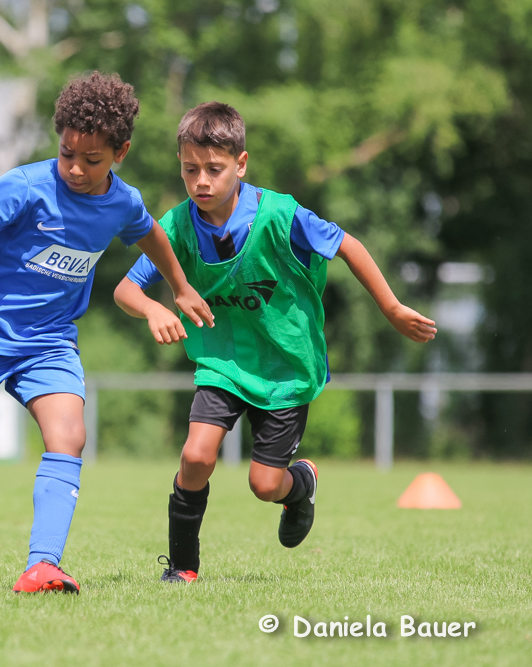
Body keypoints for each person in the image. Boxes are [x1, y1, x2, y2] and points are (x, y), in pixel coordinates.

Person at [0, 72, 214, 594]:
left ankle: (42, 566)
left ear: (121, 153)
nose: (76, 169)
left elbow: (150, 233)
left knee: (69, 436)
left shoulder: (122, 202)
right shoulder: (25, 187)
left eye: (92, 160)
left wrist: (179, 287)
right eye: (67, 154)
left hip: (50, 341)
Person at [113, 102, 437, 583]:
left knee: (264, 485)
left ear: (241, 164)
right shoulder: (177, 225)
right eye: (190, 169)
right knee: (196, 457)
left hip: (284, 368)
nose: (201, 181)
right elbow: (125, 290)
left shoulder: (281, 215)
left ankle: (300, 484)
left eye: (214, 169)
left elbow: (347, 245)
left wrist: (391, 307)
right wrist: (153, 309)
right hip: (222, 363)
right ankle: (182, 568)